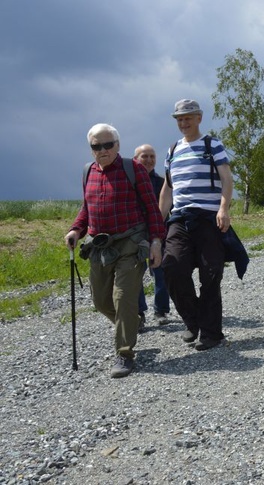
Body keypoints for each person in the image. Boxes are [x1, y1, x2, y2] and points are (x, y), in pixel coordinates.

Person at [65, 123, 165, 378]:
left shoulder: (134, 169)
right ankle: (132, 322)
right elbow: (86, 208)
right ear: (91, 149)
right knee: (100, 301)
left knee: (124, 299)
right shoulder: (89, 172)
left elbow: (152, 208)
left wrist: (155, 242)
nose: (103, 150)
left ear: (118, 145)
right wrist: (76, 230)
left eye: (108, 144)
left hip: (131, 243)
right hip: (100, 246)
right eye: (96, 146)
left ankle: (124, 353)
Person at [159, 99, 234, 351]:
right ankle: (193, 322)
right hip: (179, 219)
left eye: (188, 118)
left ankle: (212, 334)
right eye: (180, 119)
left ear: (199, 118)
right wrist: (158, 226)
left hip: (207, 218)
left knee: (210, 275)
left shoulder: (212, 145)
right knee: (172, 267)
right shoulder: (172, 151)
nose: (183, 122)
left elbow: (226, 179)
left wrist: (223, 209)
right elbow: (168, 190)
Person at [134, 144, 171, 328]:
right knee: (135, 274)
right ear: (135, 159)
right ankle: (139, 313)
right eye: (144, 156)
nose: (148, 160)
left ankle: (161, 310)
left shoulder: (161, 183)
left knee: (161, 272)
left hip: (159, 233)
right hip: (136, 234)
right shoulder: (129, 182)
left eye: (151, 156)